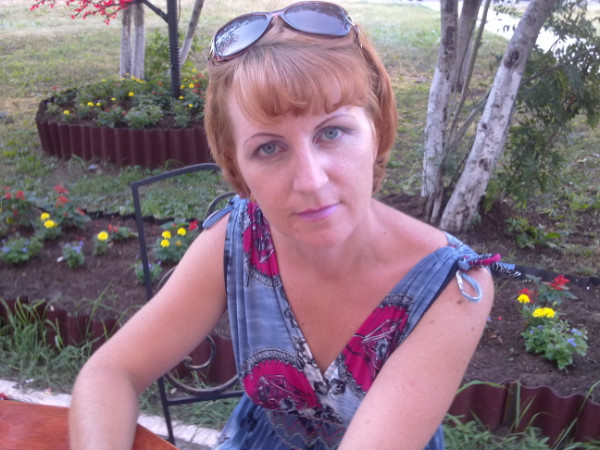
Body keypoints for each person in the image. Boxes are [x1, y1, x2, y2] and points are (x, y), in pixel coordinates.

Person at [69, 2, 494, 449]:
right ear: (236, 165)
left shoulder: (453, 288)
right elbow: (110, 372)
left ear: (376, 128)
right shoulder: (240, 241)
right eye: (269, 148)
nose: (311, 181)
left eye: (332, 132)